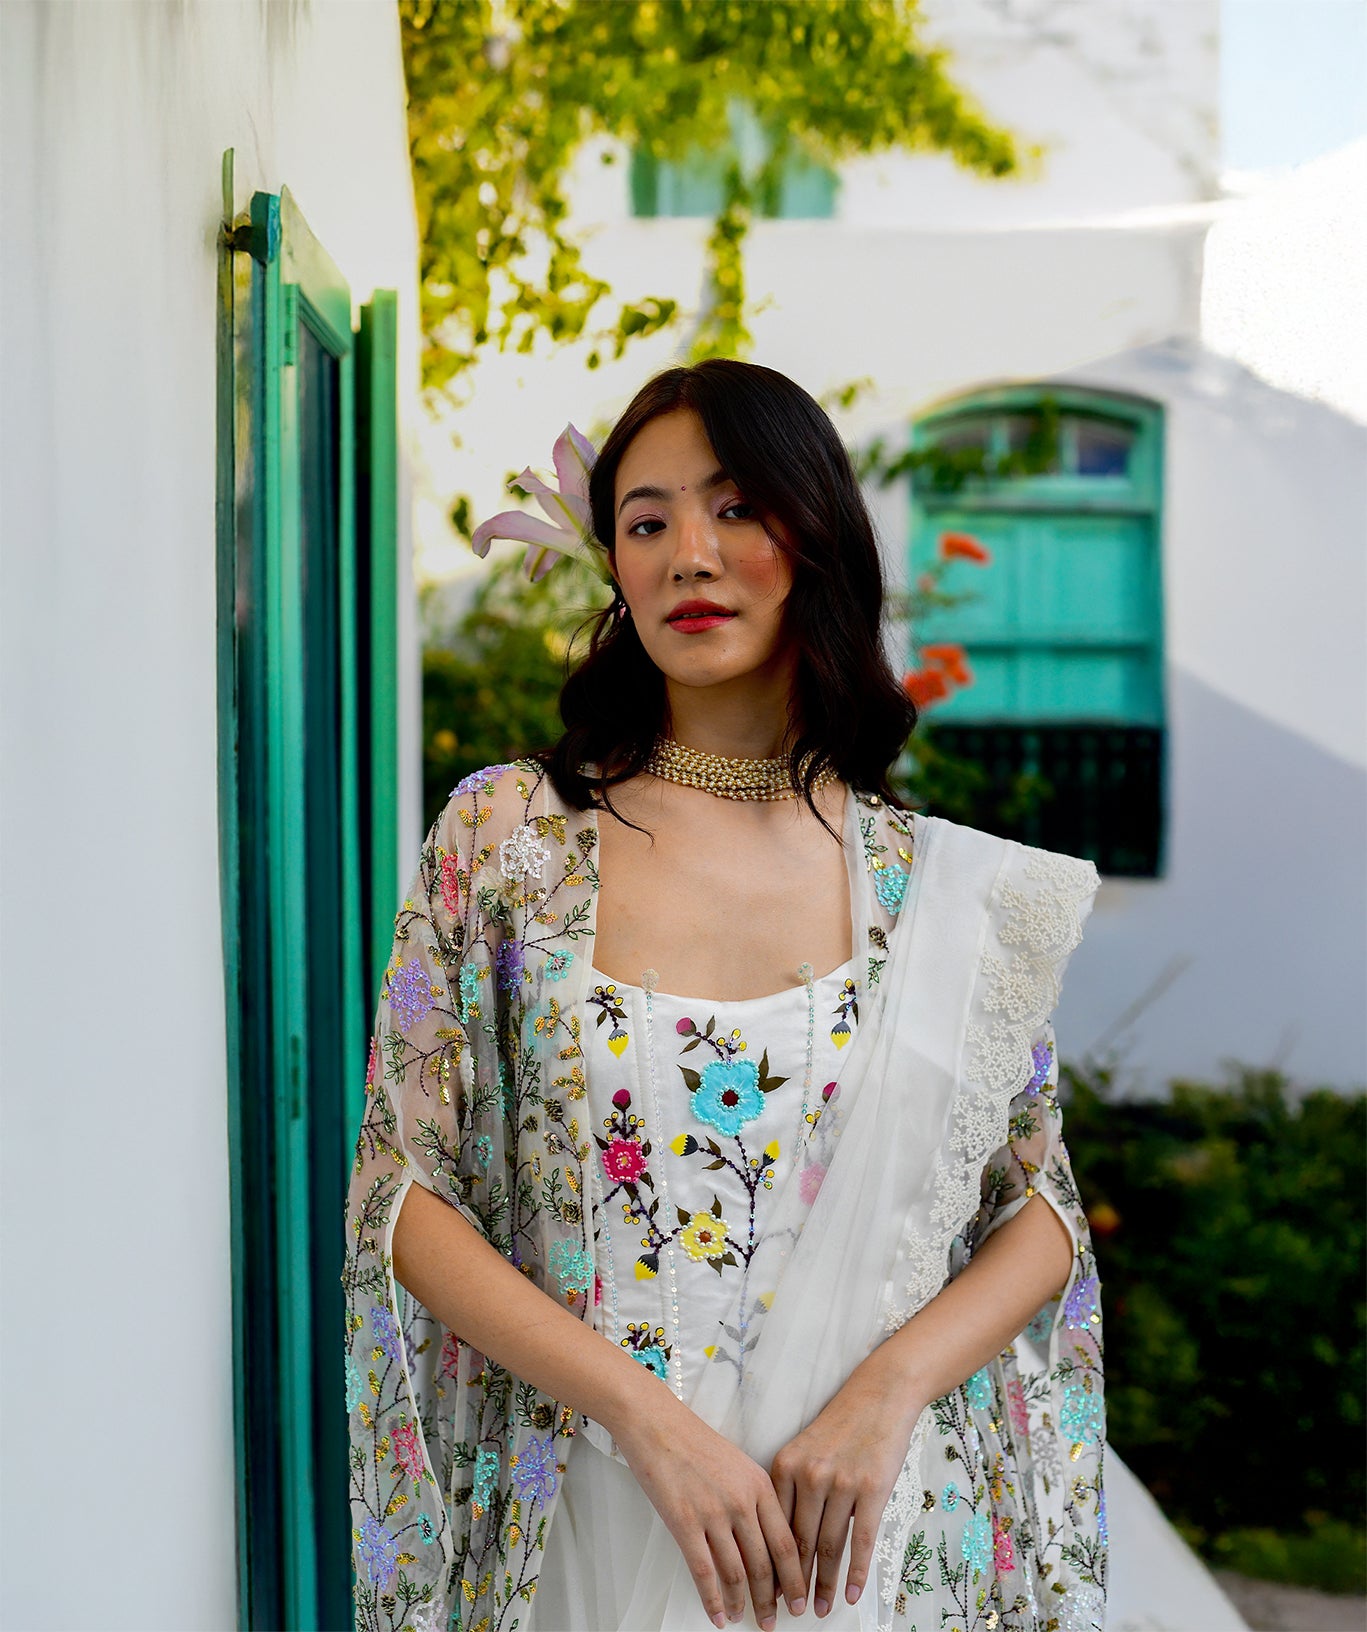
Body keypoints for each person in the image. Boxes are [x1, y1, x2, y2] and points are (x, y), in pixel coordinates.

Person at [343, 359, 1107, 1632]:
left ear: (817, 542)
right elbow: (403, 1193)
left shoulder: (927, 888)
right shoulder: (514, 837)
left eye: (736, 507)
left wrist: (884, 1397)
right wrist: (646, 1420)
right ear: (614, 570)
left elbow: (1033, 1212)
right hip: (601, 1520)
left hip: (860, 1546)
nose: (688, 553)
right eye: (646, 521)